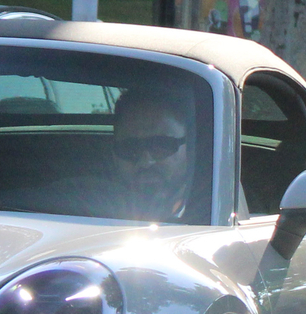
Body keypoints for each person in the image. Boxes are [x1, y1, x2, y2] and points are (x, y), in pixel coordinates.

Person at [54, 84, 203, 222]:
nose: (146, 161)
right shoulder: (80, 202)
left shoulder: (213, 205)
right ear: (114, 153)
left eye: (161, 146)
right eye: (130, 148)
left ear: (190, 148)